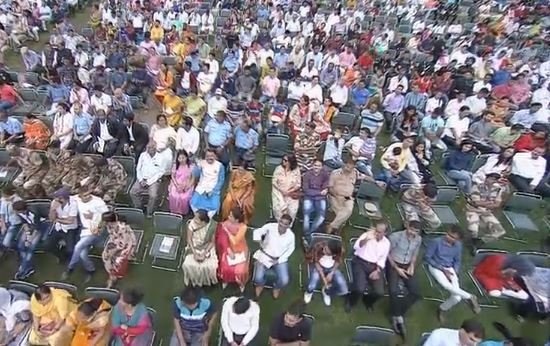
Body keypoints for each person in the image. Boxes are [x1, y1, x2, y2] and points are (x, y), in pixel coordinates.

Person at [424, 226, 481, 322]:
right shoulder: (436, 242)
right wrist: (442, 269)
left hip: (450, 268)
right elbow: (427, 258)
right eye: (448, 234)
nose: (448, 237)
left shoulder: (458, 245)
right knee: (446, 285)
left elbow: (457, 260)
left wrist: (455, 271)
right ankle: (470, 296)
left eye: (453, 237)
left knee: (457, 298)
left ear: (457, 239)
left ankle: (442, 309)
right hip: (436, 266)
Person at [62, 187, 109, 283]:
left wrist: (98, 225)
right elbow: (63, 196)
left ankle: (70, 268)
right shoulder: (76, 199)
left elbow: (107, 216)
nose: (88, 197)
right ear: (80, 196)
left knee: (78, 247)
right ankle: (91, 270)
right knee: (82, 255)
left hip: (96, 230)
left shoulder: (98, 201)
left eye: (89, 194)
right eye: (85, 195)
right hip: (85, 230)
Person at [387, 220, 422, 336]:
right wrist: (397, 269)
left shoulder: (418, 239)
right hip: (393, 264)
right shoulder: (395, 236)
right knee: (393, 290)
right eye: (411, 230)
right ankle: (398, 318)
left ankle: (396, 312)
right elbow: (387, 253)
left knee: (416, 293)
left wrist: (412, 265)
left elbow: (415, 253)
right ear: (407, 227)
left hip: (407, 265)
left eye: (416, 231)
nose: (413, 233)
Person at [345, 222, 390, 312]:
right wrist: (366, 240)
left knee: (379, 292)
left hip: (374, 266)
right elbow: (356, 247)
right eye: (376, 230)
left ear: (385, 233)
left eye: (379, 232)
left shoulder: (386, 243)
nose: (376, 233)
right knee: (360, 288)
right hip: (360, 262)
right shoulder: (367, 235)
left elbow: (382, 259)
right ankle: (351, 302)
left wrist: (377, 270)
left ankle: (368, 301)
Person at [252, 215, 296, 299]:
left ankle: (276, 287)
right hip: (265, 255)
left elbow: (291, 249)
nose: (282, 225)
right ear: (279, 221)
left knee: (284, 280)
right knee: (258, 278)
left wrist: (279, 260)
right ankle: (260, 285)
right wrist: (259, 240)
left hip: (279, 259)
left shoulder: (291, 236)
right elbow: (257, 231)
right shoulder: (270, 226)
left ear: (289, 225)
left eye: (285, 224)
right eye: (281, 222)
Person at [130, 142, 173, 218]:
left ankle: (149, 212)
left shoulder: (161, 157)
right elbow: (138, 168)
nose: (150, 149)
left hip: (153, 180)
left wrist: (149, 182)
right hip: (142, 178)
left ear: (155, 147)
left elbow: (161, 172)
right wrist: (140, 180)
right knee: (132, 192)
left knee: (153, 196)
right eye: (148, 148)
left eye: (152, 147)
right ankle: (140, 208)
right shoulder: (143, 155)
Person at [466, 173, 507, 249]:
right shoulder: (477, 187)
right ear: (486, 179)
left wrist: (485, 204)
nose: (492, 181)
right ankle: (472, 242)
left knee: (500, 231)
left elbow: (497, 204)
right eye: (491, 179)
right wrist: (490, 203)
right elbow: (476, 202)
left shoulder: (498, 190)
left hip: (486, 212)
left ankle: (480, 241)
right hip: (474, 210)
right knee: (473, 229)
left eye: (495, 180)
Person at [304, 238, 348, 307]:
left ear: (333, 253)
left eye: (327, 252)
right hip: (318, 266)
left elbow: (338, 261)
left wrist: (332, 272)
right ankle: (309, 292)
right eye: (325, 249)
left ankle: (327, 292)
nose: (324, 251)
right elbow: (316, 262)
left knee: (344, 289)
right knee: (312, 284)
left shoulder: (340, 251)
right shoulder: (319, 246)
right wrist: (324, 279)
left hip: (331, 268)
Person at [12, 200, 50, 279]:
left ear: (22, 210)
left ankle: (24, 268)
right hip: (30, 225)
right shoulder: (20, 213)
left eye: (16, 211)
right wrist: (27, 233)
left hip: (41, 226)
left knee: (30, 247)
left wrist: (29, 240)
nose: (14, 212)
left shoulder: (34, 213)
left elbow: (37, 228)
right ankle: (26, 265)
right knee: (20, 245)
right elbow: (25, 223)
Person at [215, 207, 249, 292]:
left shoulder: (243, 227)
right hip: (228, 248)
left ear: (236, 220)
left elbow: (235, 241)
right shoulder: (225, 223)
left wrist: (227, 231)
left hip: (240, 249)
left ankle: (241, 282)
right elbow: (221, 238)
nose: (228, 217)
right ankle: (226, 280)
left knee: (241, 270)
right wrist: (227, 249)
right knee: (226, 267)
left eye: (231, 216)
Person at [182, 210, 218, 287]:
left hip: (207, 246)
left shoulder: (212, 226)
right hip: (194, 246)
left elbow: (212, 242)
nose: (194, 220)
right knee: (187, 264)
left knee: (211, 266)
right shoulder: (192, 224)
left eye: (196, 218)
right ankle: (194, 280)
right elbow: (189, 240)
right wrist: (194, 253)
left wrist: (204, 254)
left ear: (203, 222)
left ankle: (207, 281)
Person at [102, 212, 136, 288]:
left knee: (117, 259)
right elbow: (112, 236)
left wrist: (113, 251)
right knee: (105, 256)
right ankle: (112, 273)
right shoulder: (109, 225)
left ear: (110, 221)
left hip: (126, 244)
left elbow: (123, 244)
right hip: (115, 240)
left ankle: (113, 276)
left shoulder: (121, 228)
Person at [190, 149, 226, 218]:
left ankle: (208, 217)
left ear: (215, 156)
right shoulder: (202, 163)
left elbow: (221, 180)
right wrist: (197, 167)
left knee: (214, 206)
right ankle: (198, 216)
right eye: (207, 156)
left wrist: (214, 191)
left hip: (213, 188)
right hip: (202, 186)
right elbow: (196, 174)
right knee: (193, 203)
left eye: (211, 156)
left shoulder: (220, 166)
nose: (210, 158)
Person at [47, 188, 79, 265]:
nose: (56, 199)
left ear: (63, 199)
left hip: (70, 229)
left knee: (70, 250)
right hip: (58, 228)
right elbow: (51, 219)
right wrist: (52, 209)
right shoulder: (55, 203)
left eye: (58, 198)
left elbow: (70, 221)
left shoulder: (73, 204)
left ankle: (69, 258)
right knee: (47, 246)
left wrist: (57, 219)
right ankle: (61, 257)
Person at [301, 159, 330, 243]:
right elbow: (306, 190)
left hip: (320, 199)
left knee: (321, 217)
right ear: (312, 166)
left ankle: (309, 234)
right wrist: (319, 192)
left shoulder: (325, 175)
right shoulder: (307, 175)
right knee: (306, 215)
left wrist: (318, 193)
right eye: (315, 165)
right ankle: (306, 234)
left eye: (319, 166)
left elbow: (325, 189)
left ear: (322, 167)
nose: (316, 167)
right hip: (308, 197)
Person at [327, 158, 358, 234]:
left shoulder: (355, 173)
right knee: (341, 213)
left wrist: (376, 182)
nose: (348, 169)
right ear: (344, 165)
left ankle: (331, 226)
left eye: (351, 168)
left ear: (353, 167)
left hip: (348, 197)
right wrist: (337, 197)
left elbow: (364, 177)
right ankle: (337, 231)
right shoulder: (335, 173)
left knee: (349, 210)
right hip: (335, 196)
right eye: (347, 166)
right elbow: (330, 188)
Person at [271, 154, 302, 222]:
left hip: (291, 193)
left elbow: (298, 184)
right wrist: (282, 190)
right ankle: (280, 223)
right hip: (279, 192)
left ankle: (288, 225)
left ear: (291, 162)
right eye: (283, 160)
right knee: (278, 209)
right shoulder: (278, 168)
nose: (283, 161)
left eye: (285, 160)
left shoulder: (296, 170)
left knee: (292, 211)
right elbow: (274, 182)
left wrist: (289, 191)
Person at [168, 150, 195, 216]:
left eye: (183, 158)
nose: (181, 160)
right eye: (179, 158)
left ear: (186, 158)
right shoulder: (175, 166)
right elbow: (173, 177)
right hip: (177, 183)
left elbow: (193, 178)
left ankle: (183, 212)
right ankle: (174, 211)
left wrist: (187, 187)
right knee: (174, 195)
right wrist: (177, 186)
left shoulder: (191, 167)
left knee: (184, 197)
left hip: (187, 183)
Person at [0, 186, 22, 253]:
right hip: (6, 222)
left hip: (15, 222)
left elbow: (19, 212)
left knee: (6, 242)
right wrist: (3, 225)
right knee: (4, 239)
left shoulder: (18, 200)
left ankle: (18, 248)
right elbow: (2, 213)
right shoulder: (3, 200)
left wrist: (11, 202)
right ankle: (16, 249)